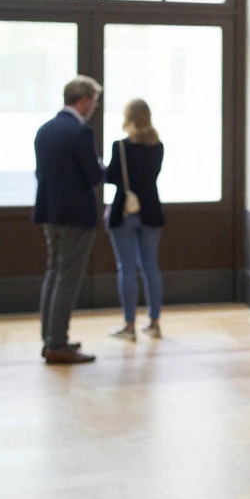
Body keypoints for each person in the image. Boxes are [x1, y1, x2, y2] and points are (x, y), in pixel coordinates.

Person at [33, 75, 107, 365]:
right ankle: (58, 344)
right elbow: (95, 176)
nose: (94, 108)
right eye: (94, 102)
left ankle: (50, 336)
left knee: (53, 273)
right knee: (68, 279)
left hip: (49, 213)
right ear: (85, 100)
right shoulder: (80, 133)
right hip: (75, 216)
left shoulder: (45, 130)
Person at [104, 99, 165, 341]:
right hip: (151, 210)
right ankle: (154, 322)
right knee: (151, 267)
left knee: (127, 268)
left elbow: (110, 177)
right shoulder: (158, 147)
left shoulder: (120, 147)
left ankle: (129, 326)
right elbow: (151, 176)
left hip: (124, 211)